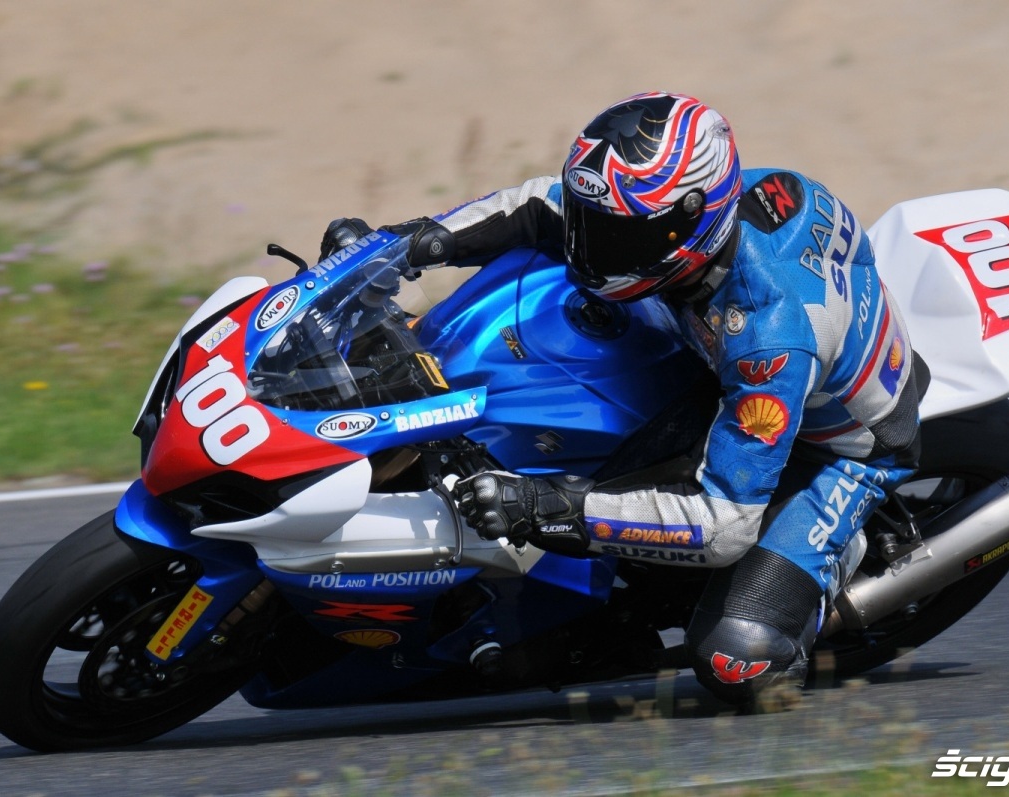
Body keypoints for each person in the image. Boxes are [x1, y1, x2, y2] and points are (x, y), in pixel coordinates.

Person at [322, 92, 922, 710]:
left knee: (736, 660)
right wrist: (400, 248)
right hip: (722, 363)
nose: (588, 244)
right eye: (591, 222)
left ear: (691, 222)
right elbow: (535, 206)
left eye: (612, 234)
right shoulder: (661, 209)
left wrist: (549, 507)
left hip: (835, 449)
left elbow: (723, 525)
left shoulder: (768, 337)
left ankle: (829, 562)